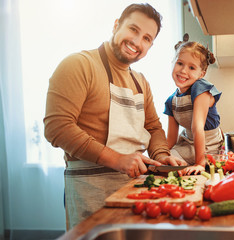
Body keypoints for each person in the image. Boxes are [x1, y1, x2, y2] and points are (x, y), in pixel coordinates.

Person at [44, 3, 186, 230]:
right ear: (116, 25)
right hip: (89, 188)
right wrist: (117, 159)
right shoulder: (79, 65)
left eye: (147, 38)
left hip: (135, 188)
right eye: (133, 30)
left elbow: (153, 127)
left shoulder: (141, 81)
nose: (138, 42)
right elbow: (57, 128)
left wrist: (162, 155)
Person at [164, 34, 223, 176]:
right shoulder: (171, 100)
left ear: (201, 74)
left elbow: (197, 127)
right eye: (180, 63)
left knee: (169, 165)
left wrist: (199, 163)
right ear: (173, 62)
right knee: (163, 162)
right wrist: (160, 155)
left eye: (191, 67)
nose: (183, 71)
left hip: (209, 145)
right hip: (187, 142)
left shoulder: (201, 88)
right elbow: (171, 138)